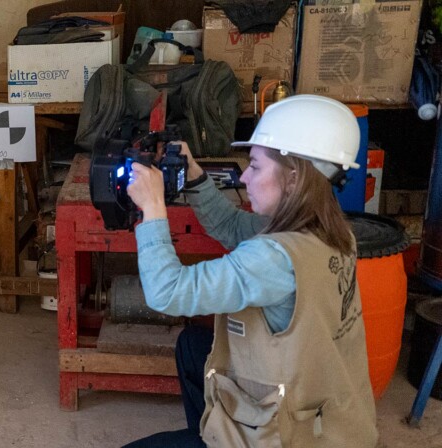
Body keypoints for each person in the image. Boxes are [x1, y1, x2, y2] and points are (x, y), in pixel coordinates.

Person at [121, 95, 378, 447]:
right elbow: (230, 225)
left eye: (255, 166)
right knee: (194, 347)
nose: (244, 176)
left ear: (292, 178)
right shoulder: (330, 230)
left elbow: (167, 292)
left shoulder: (274, 259)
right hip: (331, 412)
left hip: (293, 435)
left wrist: (152, 208)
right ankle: (213, 433)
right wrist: (194, 176)